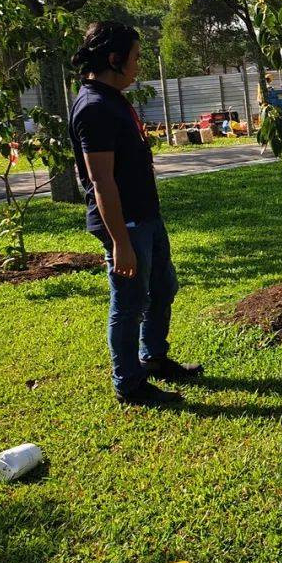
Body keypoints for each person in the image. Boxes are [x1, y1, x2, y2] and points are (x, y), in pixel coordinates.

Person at [69, 21, 203, 406]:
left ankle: (153, 358)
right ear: (114, 59)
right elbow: (102, 183)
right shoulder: (94, 107)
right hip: (124, 225)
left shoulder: (112, 97)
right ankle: (129, 383)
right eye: (136, 57)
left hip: (146, 217)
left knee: (162, 288)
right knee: (128, 304)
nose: (139, 65)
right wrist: (119, 243)